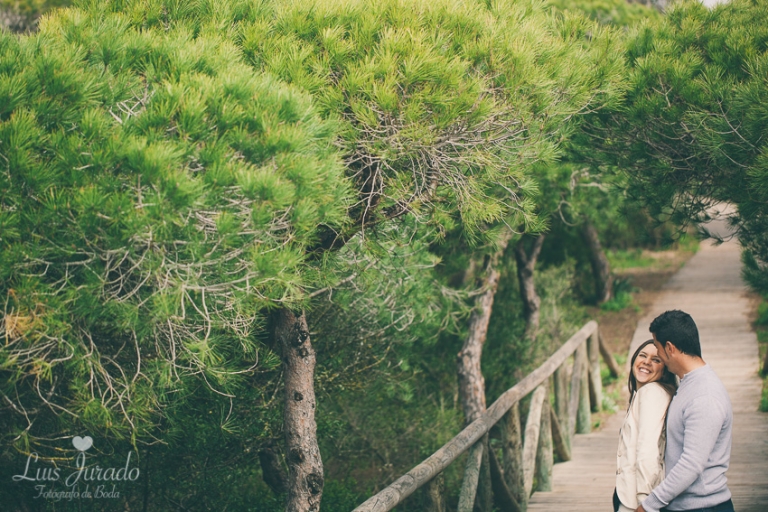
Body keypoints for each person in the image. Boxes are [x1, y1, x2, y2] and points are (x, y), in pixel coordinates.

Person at [636, 310, 734, 512]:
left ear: (670, 348)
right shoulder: (689, 383)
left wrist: (648, 506)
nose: (658, 355)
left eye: (657, 347)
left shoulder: (704, 395)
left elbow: (691, 464)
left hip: (703, 507)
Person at [614, 339, 678, 512]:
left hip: (635, 499)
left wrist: (645, 502)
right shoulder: (644, 393)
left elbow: (648, 450)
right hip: (628, 493)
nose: (647, 362)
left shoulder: (652, 393)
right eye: (642, 355)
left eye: (656, 360)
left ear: (664, 370)